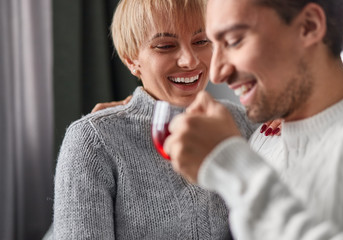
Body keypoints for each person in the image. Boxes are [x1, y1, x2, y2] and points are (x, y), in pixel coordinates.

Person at [51, 0, 267, 239]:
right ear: (131, 59)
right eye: (165, 46)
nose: (190, 61)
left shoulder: (247, 122)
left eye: (201, 41)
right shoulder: (93, 141)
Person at [165, 0, 343, 239]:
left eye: (234, 41)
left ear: (309, 26)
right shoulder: (262, 142)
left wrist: (235, 167)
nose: (216, 73)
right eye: (214, 46)